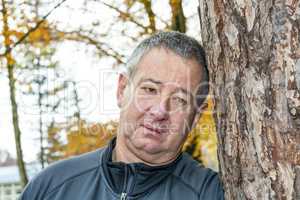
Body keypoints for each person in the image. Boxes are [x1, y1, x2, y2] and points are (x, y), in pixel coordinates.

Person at [20, 31, 224, 200]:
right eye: (150, 89)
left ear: (196, 116)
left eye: (180, 100)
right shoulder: (51, 187)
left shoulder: (212, 194)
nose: (160, 111)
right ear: (122, 89)